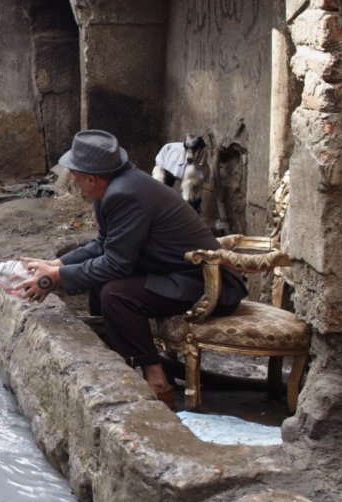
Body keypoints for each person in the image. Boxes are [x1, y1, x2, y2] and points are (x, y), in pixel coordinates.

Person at [14, 130, 246, 406]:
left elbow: (116, 262)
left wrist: (57, 277)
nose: (74, 182)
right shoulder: (112, 188)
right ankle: (117, 360)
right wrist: (59, 263)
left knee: (117, 294)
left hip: (208, 283)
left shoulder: (125, 193)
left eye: (75, 177)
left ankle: (157, 380)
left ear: (91, 177)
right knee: (102, 286)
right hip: (176, 274)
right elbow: (105, 244)